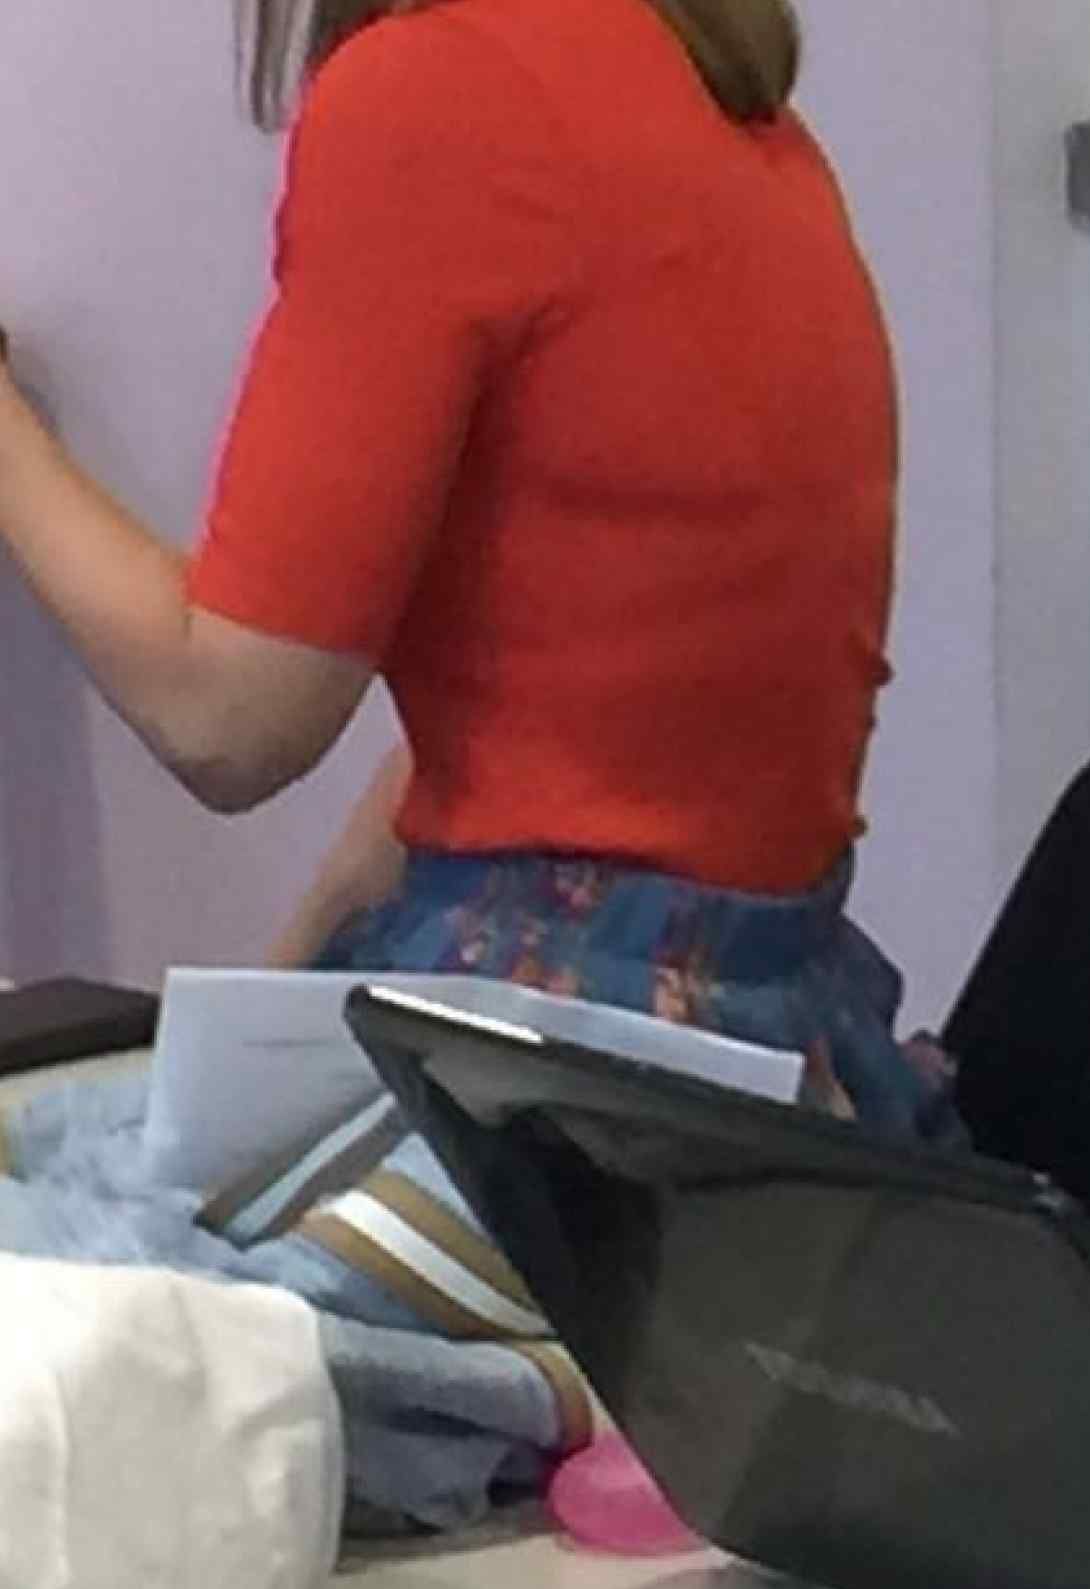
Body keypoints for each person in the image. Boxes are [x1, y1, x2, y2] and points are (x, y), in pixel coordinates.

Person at [0, 0, 937, 1136]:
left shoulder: (437, 98)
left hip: (566, 1088)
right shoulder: (724, 104)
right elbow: (551, 747)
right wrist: (235, 1046)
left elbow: (227, 714)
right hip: (766, 1048)